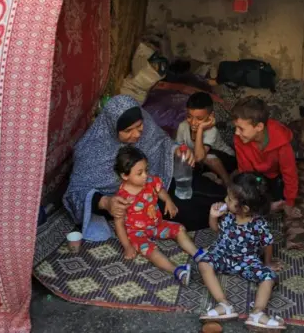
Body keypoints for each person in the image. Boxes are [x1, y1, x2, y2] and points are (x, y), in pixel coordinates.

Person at [63, 95, 214, 242]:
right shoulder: (90, 150)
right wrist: (105, 202)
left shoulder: (145, 126)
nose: (136, 134)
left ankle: (230, 207)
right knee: (190, 211)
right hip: (134, 205)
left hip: (156, 181)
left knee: (203, 188)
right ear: (112, 127)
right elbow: (76, 192)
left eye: (139, 126)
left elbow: (160, 141)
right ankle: (221, 217)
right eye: (128, 130)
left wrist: (175, 149)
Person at [198, 173, 285, 330]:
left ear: (244, 208)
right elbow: (218, 231)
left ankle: (258, 313)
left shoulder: (259, 224)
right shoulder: (229, 215)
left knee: (269, 277)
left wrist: (268, 263)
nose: (225, 200)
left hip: (247, 261)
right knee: (204, 263)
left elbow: (268, 243)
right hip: (223, 256)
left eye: (230, 199)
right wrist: (213, 217)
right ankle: (223, 304)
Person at [112, 145, 206, 285]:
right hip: (136, 233)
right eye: (139, 173)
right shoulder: (122, 197)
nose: (145, 175)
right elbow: (119, 224)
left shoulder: (150, 181)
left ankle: (198, 255)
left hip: (157, 224)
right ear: (125, 175)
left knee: (179, 229)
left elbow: (160, 190)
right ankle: (178, 271)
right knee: (150, 250)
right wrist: (127, 246)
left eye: (146, 170)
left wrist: (168, 201)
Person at [231, 96, 299, 215]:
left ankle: (275, 204)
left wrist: (290, 203)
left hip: (276, 175)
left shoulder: (282, 142)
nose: (236, 132)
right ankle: (268, 206)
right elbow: (246, 173)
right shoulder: (239, 139)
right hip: (257, 175)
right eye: (236, 127)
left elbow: (289, 173)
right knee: (243, 198)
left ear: (259, 127)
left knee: (281, 197)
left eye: (241, 129)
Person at [175, 92, 236, 186]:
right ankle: (213, 178)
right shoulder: (182, 126)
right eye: (189, 116)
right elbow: (178, 149)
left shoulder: (212, 130)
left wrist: (200, 129)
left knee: (206, 156)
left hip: (226, 161)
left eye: (199, 118)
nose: (193, 123)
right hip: (203, 163)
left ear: (211, 116)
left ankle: (228, 183)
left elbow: (200, 156)